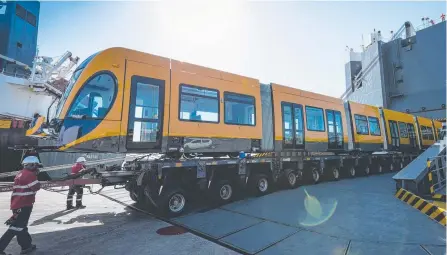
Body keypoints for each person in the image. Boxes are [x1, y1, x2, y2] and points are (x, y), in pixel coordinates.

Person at [0, 156, 41, 255]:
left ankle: (26, 246)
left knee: (21, 226)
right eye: (36, 165)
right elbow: (36, 187)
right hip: (24, 205)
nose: (37, 168)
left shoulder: (20, 173)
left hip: (17, 204)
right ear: (32, 165)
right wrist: (36, 176)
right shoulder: (30, 175)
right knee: (16, 227)